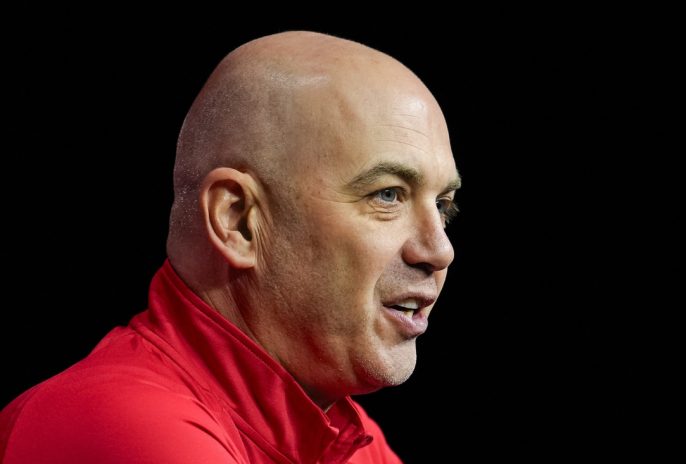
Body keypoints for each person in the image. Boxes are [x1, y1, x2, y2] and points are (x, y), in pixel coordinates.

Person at [0, 31, 460, 463]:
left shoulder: (347, 437)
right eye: (387, 195)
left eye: (443, 205)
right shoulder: (122, 425)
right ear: (237, 221)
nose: (440, 251)